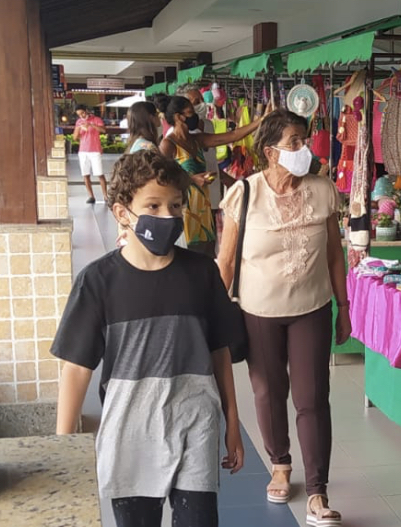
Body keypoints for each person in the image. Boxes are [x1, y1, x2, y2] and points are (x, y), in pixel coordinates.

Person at [52, 150, 244, 527]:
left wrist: (232, 423)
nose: (167, 217)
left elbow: (219, 351)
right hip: (129, 431)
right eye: (152, 206)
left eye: (175, 205)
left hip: (196, 423)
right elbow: (76, 368)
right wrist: (63, 447)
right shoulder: (98, 282)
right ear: (122, 212)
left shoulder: (203, 274)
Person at [216, 109, 350, 526]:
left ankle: (317, 491)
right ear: (270, 151)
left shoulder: (324, 190)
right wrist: (216, 317)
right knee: (268, 392)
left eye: (304, 140)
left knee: (312, 399)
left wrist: (344, 308)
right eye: (294, 142)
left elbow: (333, 255)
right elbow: (225, 261)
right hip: (259, 311)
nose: (303, 149)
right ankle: (280, 464)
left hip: (311, 308)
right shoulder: (245, 193)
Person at [159, 96, 261, 258]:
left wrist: (261, 120)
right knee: (187, 259)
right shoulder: (169, 145)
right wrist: (192, 179)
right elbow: (161, 179)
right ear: (179, 117)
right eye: (190, 112)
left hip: (203, 208)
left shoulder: (197, 140)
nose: (195, 116)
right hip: (184, 210)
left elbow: (233, 135)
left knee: (206, 256)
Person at [73, 104, 108, 204]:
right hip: (83, 151)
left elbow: (103, 130)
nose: (82, 116)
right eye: (79, 115)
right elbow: (75, 138)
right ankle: (91, 196)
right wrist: (79, 128)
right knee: (85, 174)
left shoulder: (96, 119)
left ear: (86, 110)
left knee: (99, 173)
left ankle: (105, 196)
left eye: (82, 113)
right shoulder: (79, 122)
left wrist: (91, 125)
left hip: (95, 150)